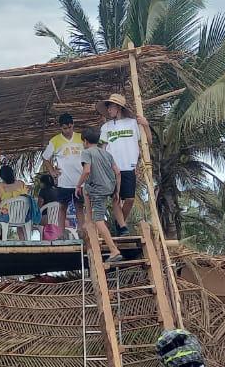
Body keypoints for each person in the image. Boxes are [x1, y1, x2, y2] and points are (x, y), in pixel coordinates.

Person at [95, 93, 149, 236]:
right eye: (107, 107)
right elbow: (102, 147)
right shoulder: (106, 127)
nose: (108, 110)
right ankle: (123, 226)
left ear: (118, 107)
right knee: (116, 198)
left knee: (130, 199)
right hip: (113, 167)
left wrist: (146, 125)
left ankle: (119, 223)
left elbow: (147, 141)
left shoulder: (132, 123)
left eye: (110, 107)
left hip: (129, 166)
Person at [77, 127, 123, 262]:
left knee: (99, 220)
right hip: (109, 187)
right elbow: (118, 172)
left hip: (98, 190)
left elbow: (86, 171)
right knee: (86, 189)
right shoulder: (107, 154)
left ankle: (114, 250)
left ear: (85, 141)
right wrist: (117, 191)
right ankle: (88, 220)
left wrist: (77, 185)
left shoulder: (87, 153)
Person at [41, 113, 84, 233]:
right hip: (64, 181)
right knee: (62, 207)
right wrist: (52, 171)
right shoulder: (55, 141)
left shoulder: (81, 138)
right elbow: (45, 157)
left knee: (79, 206)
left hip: (80, 181)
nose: (68, 130)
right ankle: (60, 233)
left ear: (73, 125)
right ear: (61, 128)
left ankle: (81, 231)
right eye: (65, 128)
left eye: (70, 127)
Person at [0, 165, 29, 238]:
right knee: (21, 226)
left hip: (7, 217)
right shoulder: (21, 183)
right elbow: (26, 198)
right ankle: (23, 241)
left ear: (2, 176)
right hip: (22, 216)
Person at [36, 173, 63, 240]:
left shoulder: (43, 191)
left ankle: (42, 240)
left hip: (46, 219)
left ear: (43, 183)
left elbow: (40, 204)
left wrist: (36, 212)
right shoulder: (58, 190)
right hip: (59, 219)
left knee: (33, 219)